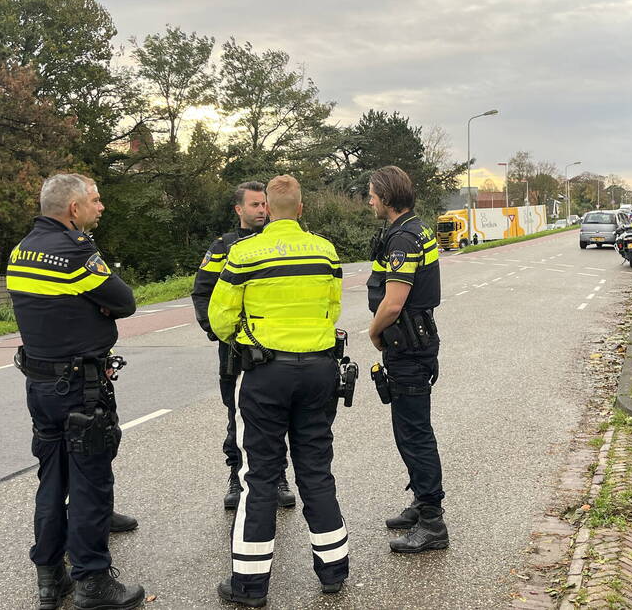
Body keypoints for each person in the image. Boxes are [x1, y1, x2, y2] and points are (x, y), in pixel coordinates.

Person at [209, 175, 348, 607]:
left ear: (266, 208)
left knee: (260, 476)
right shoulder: (325, 250)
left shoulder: (245, 252)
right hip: (320, 370)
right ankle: (333, 572)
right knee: (316, 470)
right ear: (302, 209)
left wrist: (247, 340)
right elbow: (334, 305)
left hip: (267, 373)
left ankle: (249, 586)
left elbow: (220, 317)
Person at [7, 173, 144, 610]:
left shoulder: (21, 250)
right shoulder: (75, 250)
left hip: (40, 385)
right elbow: (124, 301)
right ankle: (93, 582)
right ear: (73, 209)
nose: (100, 207)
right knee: (89, 483)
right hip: (81, 389)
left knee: (52, 480)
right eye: (95, 200)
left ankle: (51, 578)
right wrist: (97, 305)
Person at [191, 181, 296, 511]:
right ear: (239, 210)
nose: (262, 210)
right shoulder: (222, 247)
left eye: (264, 204)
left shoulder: (276, 242)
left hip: (275, 346)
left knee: (278, 415)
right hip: (236, 351)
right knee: (236, 415)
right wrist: (220, 333)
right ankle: (236, 477)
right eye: (254, 205)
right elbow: (202, 292)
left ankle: (278, 477)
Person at [366, 165, 449, 554]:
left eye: (371, 193)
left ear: (386, 196)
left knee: (413, 434)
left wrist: (372, 331)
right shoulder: (417, 228)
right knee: (412, 430)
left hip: (407, 347)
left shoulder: (402, 238)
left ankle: (432, 522)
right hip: (417, 342)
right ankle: (421, 502)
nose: (369, 200)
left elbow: (394, 301)